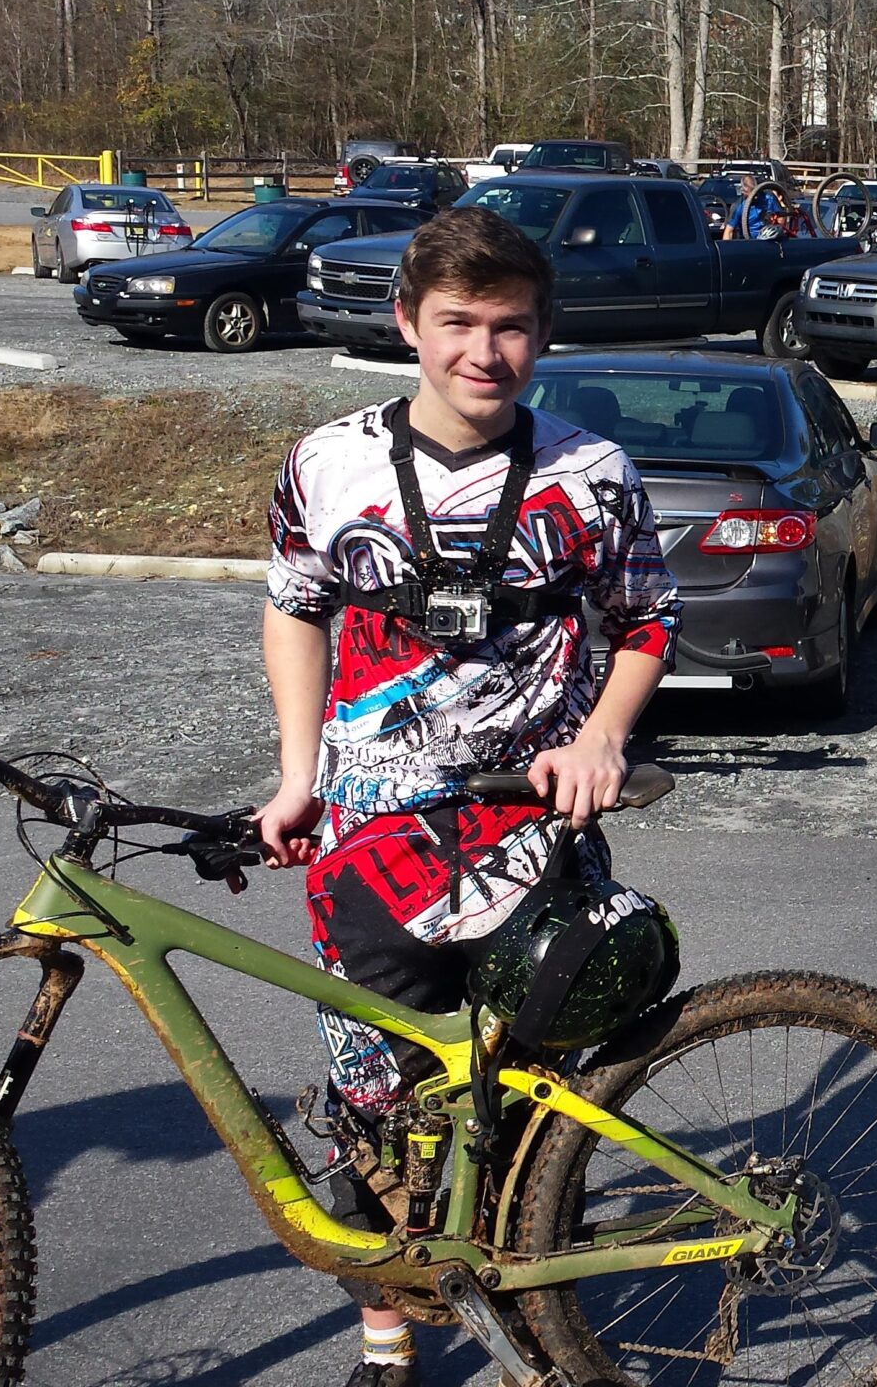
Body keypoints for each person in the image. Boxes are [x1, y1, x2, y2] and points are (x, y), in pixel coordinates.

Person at [253, 206, 681, 1387]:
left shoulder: (592, 475)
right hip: (367, 839)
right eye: (456, 323)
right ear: (406, 321)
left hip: (533, 832)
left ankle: (537, 1315)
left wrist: (602, 739)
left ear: (544, 331)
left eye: (510, 326)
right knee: (370, 1098)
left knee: (540, 1100)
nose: (482, 353)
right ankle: (388, 1343)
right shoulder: (327, 462)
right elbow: (293, 609)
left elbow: (649, 621)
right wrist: (296, 776)